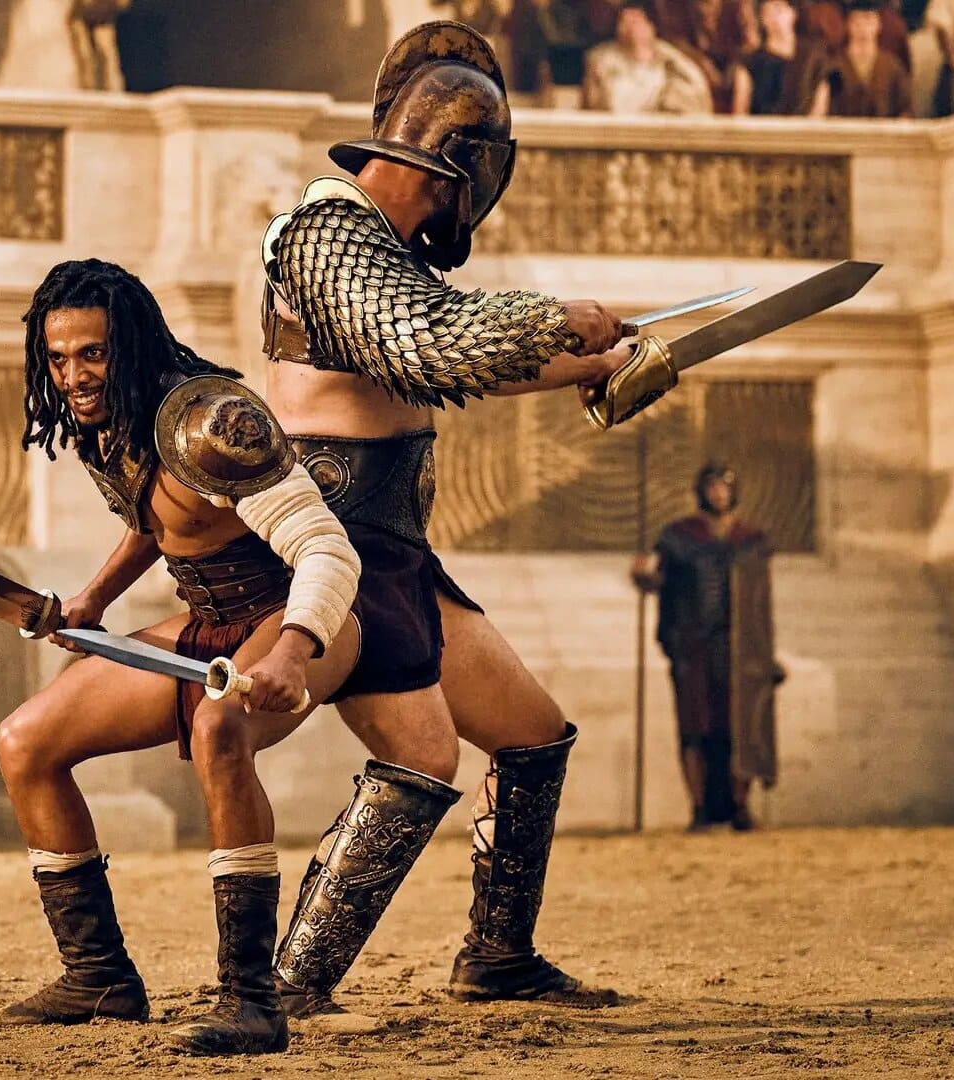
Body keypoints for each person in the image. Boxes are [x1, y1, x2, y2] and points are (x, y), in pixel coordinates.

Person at [253, 21, 632, 1017]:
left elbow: (453, 357)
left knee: (532, 736)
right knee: (422, 755)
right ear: (457, 172)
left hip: (397, 550)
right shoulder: (324, 232)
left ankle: (498, 957)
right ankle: (289, 982)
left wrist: (599, 362)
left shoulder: (383, 255)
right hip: (334, 543)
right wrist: (557, 319)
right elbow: (430, 344)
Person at [0, 259, 363, 1056]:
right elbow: (157, 520)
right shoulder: (109, 425)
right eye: (57, 359)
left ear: (130, 344)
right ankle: (98, 975)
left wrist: (291, 653)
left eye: (92, 354)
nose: (73, 377)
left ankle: (252, 1001)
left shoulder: (216, 421)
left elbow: (327, 551)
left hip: (297, 620)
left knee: (218, 731)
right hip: (206, 624)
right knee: (24, 742)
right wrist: (93, 599)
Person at [632, 463, 782, 831]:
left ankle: (741, 806)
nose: (719, 494)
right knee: (695, 728)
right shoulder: (680, 538)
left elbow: (759, 603)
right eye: (712, 487)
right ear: (702, 491)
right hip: (692, 649)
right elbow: (660, 581)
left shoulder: (750, 540)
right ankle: (699, 808)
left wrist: (765, 655)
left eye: (724, 487)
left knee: (740, 727)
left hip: (739, 653)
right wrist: (644, 578)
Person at [583, 0, 719, 112]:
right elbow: (596, 103)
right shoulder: (602, 62)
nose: (631, 28)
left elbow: (697, 95)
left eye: (636, 21)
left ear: (650, 27)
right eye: (625, 22)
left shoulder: (674, 63)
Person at [810, 0, 914, 115]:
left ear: (878, 24)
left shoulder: (893, 67)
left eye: (868, 20)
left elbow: (905, 109)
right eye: (857, 22)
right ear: (848, 25)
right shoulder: (834, 66)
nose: (863, 29)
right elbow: (822, 110)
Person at [734, 0, 820, 113]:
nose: (774, 17)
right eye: (767, 12)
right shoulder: (751, 63)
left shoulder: (812, 58)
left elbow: (819, 105)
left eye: (778, 10)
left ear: (793, 13)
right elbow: (740, 111)